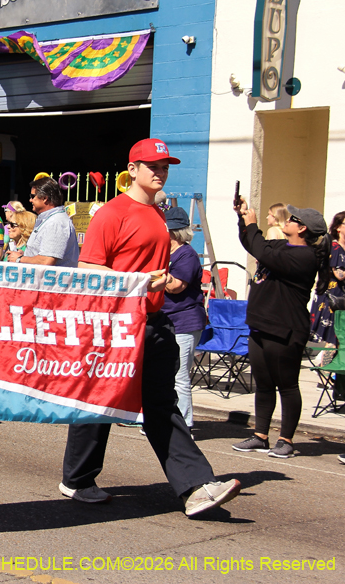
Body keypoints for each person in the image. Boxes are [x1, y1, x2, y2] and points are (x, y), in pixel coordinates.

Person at [59, 138, 241, 518]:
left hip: (156, 322)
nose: (160, 172)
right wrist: (141, 282)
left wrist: (156, 284)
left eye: (165, 167)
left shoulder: (160, 213)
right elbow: (90, 270)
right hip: (118, 325)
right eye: (153, 166)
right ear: (133, 170)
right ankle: (77, 479)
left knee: (161, 405)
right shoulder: (111, 213)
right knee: (100, 403)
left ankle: (195, 486)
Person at [232, 202, 329, 459]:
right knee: (263, 384)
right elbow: (253, 244)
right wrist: (243, 219)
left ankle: (285, 440)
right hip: (260, 324)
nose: (287, 220)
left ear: (303, 228)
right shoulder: (280, 246)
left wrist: (253, 225)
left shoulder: (306, 256)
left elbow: (264, 253)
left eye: (293, 218)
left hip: (285, 328)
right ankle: (260, 436)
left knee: (286, 385)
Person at [162, 207, 207, 430]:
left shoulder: (186, 255)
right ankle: (164, 420)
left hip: (184, 322)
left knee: (179, 376)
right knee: (163, 375)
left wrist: (157, 275)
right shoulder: (164, 253)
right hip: (165, 320)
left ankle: (184, 425)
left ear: (174, 232)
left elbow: (176, 287)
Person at [6, 177, 79, 268]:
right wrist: (26, 255)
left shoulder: (56, 222)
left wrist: (20, 259)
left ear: (45, 198)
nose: (30, 200)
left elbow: (47, 261)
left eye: (33, 196)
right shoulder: (49, 219)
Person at [308, 211, 345, 350]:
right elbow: (339, 274)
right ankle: (324, 369)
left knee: (339, 341)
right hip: (332, 300)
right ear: (338, 227)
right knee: (333, 341)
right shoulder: (335, 247)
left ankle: (329, 370)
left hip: (341, 299)